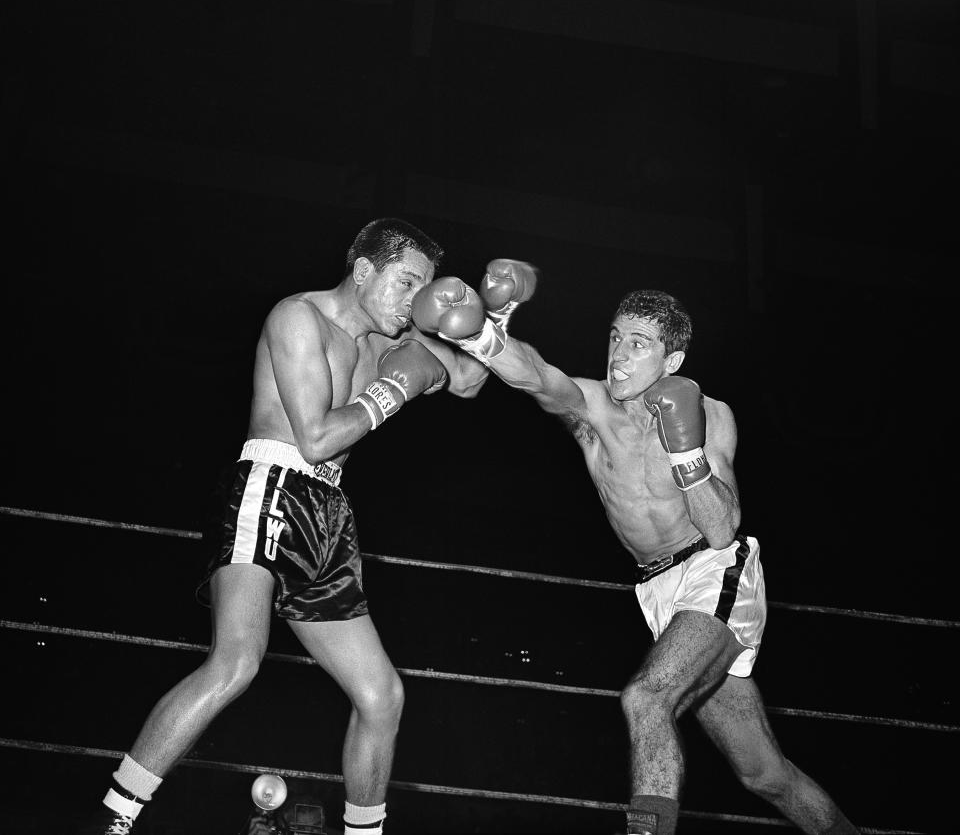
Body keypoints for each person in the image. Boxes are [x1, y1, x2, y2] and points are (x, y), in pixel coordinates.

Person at [85, 218, 510, 835]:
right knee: (236, 662)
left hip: (329, 513)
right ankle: (113, 819)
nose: (416, 298)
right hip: (272, 485)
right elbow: (314, 439)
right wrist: (395, 389)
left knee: (381, 696)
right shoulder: (297, 318)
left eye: (425, 286)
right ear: (364, 269)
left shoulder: (390, 341)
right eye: (406, 280)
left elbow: (469, 380)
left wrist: (493, 319)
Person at [417, 284, 859, 835]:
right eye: (616, 338)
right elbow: (534, 372)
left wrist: (686, 450)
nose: (619, 356)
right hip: (657, 592)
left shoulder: (711, 414)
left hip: (715, 569)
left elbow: (722, 528)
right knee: (764, 774)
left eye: (639, 344)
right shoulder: (593, 408)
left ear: (671, 360)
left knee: (646, 699)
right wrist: (481, 335)